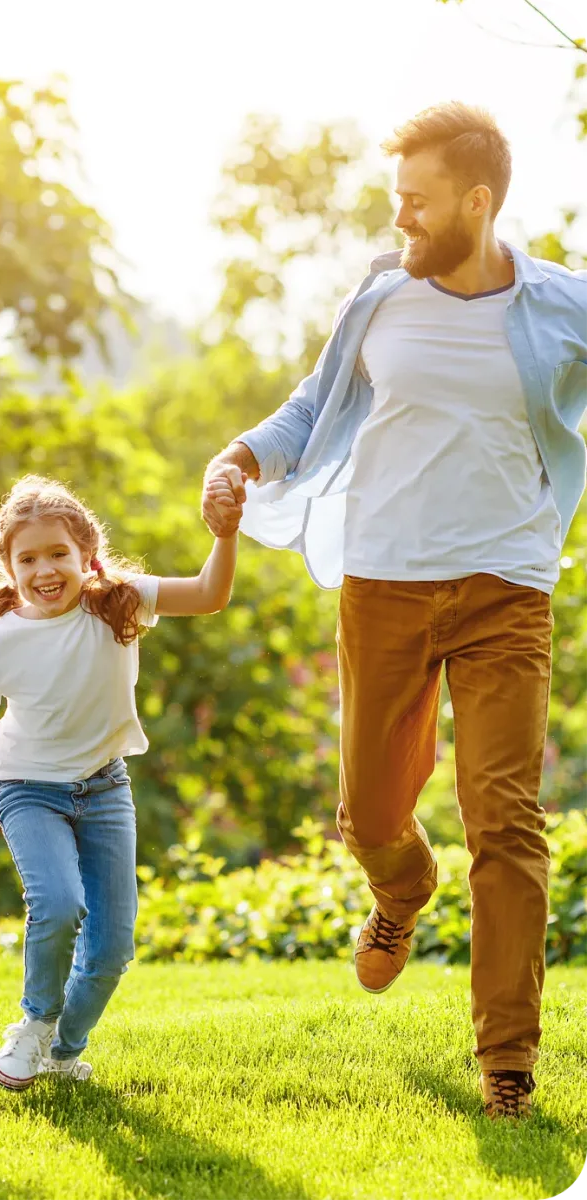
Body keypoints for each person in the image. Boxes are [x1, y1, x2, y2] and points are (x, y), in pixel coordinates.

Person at [201, 103, 587, 1120]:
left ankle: (507, 1062)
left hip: (507, 587)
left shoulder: (561, 305)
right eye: (395, 203)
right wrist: (240, 456)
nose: (401, 221)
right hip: (385, 581)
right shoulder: (380, 299)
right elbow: (308, 405)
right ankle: (400, 892)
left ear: (477, 201)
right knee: (371, 810)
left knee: (505, 820)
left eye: (416, 204)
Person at [0, 473, 241, 1090]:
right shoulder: (4, 641)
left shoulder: (120, 603)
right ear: (7, 567)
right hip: (29, 789)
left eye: (58, 553)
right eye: (26, 558)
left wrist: (225, 534)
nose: (45, 569)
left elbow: (211, 594)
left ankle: (63, 1052)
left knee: (112, 950)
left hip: (106, 788)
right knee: (58, 905)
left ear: (87, 554)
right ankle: (32, 1026)